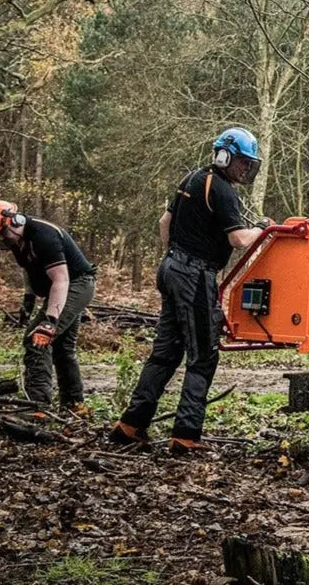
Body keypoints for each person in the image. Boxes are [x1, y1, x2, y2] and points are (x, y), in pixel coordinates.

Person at [111, 127, 268, 454]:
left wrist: (174, 257)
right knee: (203, 356)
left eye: (247, 165)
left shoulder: (192, 178)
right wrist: (262, 229)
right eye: (241, 162)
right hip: (194, 275)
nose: (244, 170)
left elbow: (163, 223)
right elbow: (238, 239)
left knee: (165, 353)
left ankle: (130, 425)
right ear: (224, 156)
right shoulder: (223, 190)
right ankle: (185, 435)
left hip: (171, 268)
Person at [0, 201, 97, 414]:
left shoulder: (43, 235)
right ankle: (74, 404)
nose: (2, 242)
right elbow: (29, 271)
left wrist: (49, 322)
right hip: (63, 287)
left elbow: (61, 280)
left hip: (76, 284)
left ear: (14, 221)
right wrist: (28, 300)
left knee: (37, 339)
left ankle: (38, 406)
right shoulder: (18, 242)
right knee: (62, 348)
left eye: (3, 235)